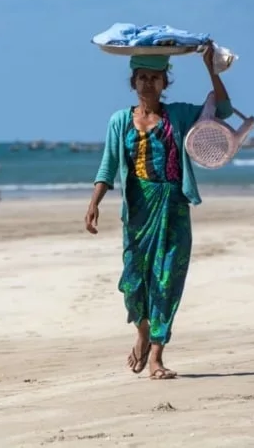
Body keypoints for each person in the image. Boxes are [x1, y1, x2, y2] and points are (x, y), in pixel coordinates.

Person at [84, 46, 233, 380]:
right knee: (134, 283)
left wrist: (211, 68)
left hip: (173, 209)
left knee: (166, 282)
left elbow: (222, 110)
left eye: (154, 78)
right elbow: (108, 166)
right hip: (138, 212)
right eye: (142, 78)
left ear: (165, 82)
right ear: (133, 82)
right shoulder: (120, 121)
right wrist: (94, 202)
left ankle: (156, 357)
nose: (148, 83)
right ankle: (142, 330)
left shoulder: (178, 115)